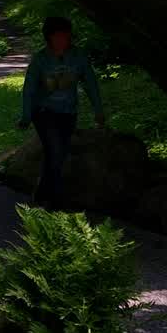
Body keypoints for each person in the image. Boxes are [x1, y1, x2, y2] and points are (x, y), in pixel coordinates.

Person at [17, 16, 105, 208]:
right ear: (49, 37)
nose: (63, 39)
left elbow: (90, 83)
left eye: (66, 35)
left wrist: (98, 110)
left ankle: (41, 194)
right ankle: (55, 199)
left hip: (68, 112)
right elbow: (29, 89)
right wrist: (26, 115)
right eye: (58, 36)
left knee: (58, 154)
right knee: (55, 151)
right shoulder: (40, 60)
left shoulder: (78, 57)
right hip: (44, 112)